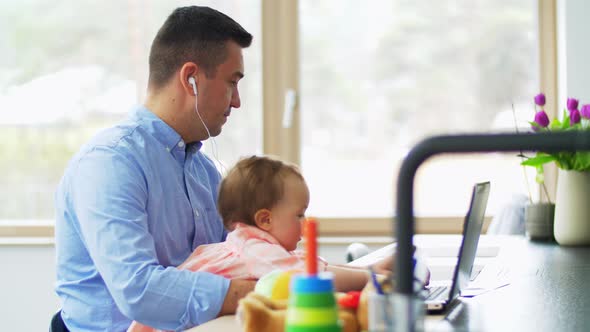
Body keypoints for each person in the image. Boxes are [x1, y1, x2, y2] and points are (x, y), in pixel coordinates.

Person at [54, 6, 255, 331]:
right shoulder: (109, 162)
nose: (236, 102)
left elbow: (240, 258)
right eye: (232, 83)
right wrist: (255, 292)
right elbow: (139, 290)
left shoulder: (205, 173)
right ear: (191, 78)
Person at [127, 155, 395, 332]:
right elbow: (311, 278)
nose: (304, 222)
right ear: (265, 219)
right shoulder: (255, 251)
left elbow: (310, 265)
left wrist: (370, 269)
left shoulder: (247, 245)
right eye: (299, 214)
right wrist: (372, 276)